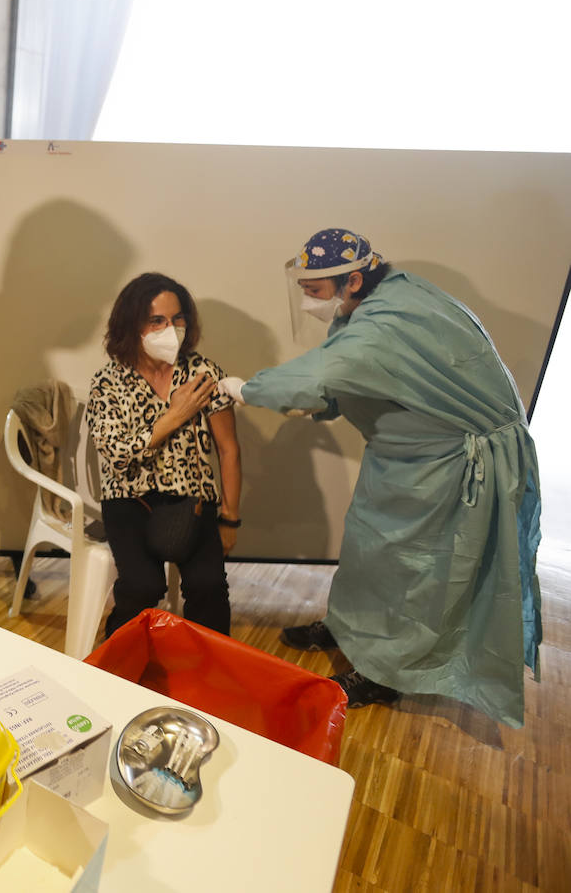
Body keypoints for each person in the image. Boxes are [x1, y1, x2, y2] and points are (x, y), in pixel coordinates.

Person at [218, 228, 542, 723]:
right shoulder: (385, 295)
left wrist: (246, 390)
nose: (308, 303)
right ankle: (348, 629)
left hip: (444, 467)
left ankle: (385, 673)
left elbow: (324, 372)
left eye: (315, 292)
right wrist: (321, 406)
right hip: (400, 457)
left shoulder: (386, 322)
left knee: (411, 573)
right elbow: (354, 376)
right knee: (369, 552)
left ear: (351, 281)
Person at [88, 272, 241, 639]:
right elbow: (117, 456)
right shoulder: (108, 380)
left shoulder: (203, 373)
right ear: (133, 323)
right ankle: (118, 667)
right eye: (156, 320)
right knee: (141, 587)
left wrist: (230, 519)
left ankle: (208, 673)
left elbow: (229, 448)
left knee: (208, 588)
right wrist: (174, 416)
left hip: (193, 501)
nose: (169, 329)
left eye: (177, 319)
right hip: (129, 501)